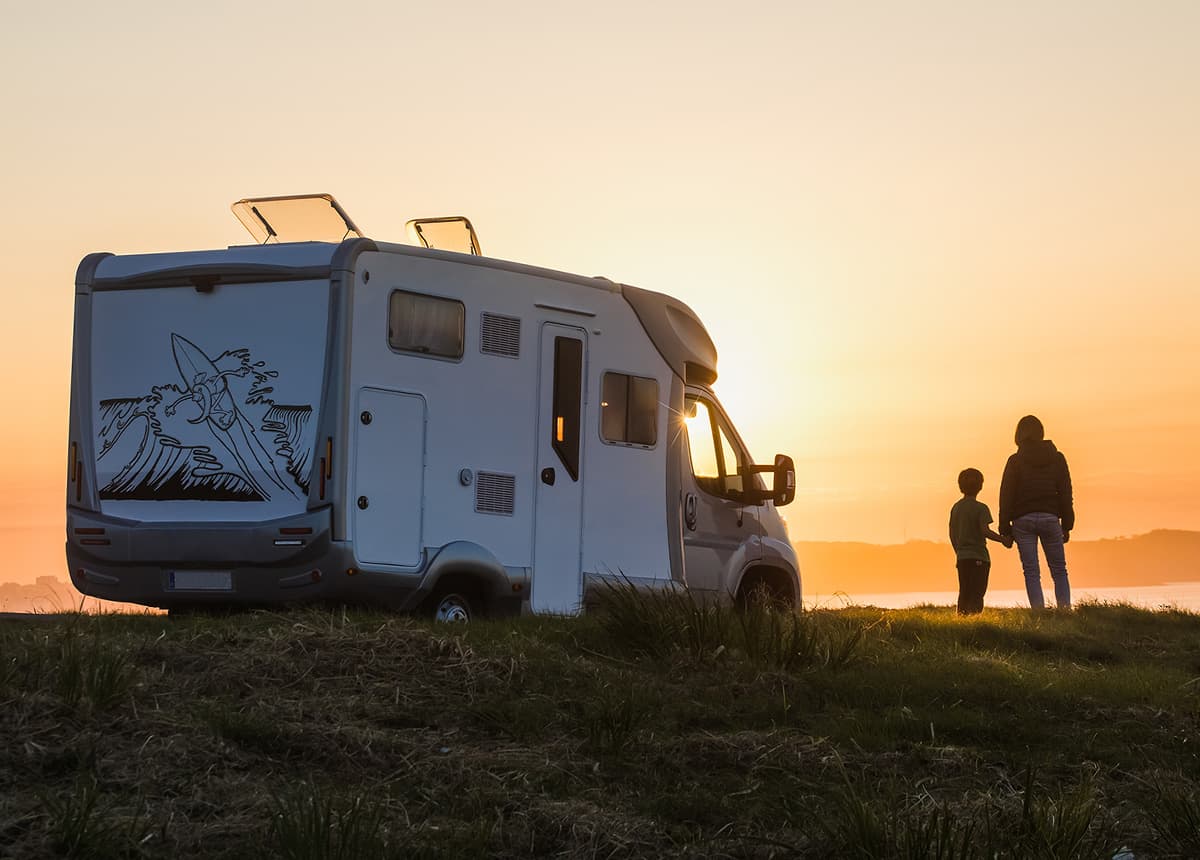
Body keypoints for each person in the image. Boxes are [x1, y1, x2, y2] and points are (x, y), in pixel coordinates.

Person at [998, 415, 1074, 609]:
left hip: (1023, 519)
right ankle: (1064, 611)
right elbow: (1065, 492)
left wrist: (1005, 528)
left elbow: (1006, 495)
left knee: (1031, 571)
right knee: (1059, 570)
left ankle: (1039, 613)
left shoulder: (1015, 461)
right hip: (1050, 517)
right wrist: (1067, 525)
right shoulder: (1057, 458)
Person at [949, 468, 1010, 615]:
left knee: (964, 590)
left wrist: (959, 550)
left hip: (962, 556)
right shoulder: (981, 508)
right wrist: (1003, 540)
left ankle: (961, 619)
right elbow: (985, 531)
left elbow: (952, 533)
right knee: (977, 592)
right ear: (980, 486)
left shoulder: (956, 508)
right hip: (979, 556)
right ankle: (975, 620)